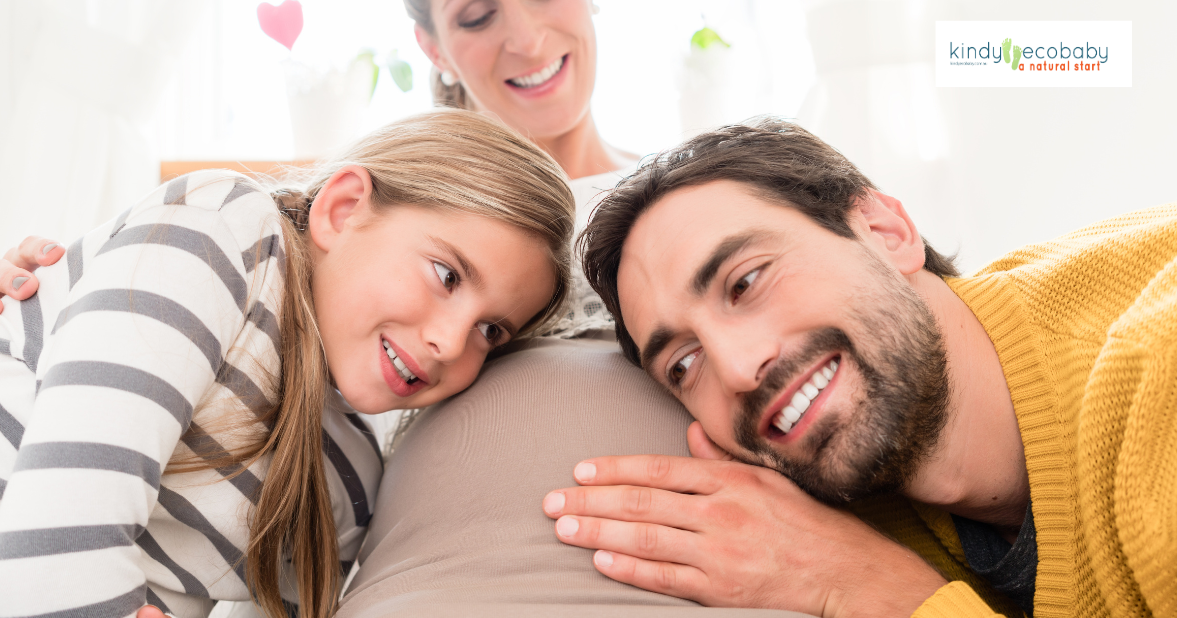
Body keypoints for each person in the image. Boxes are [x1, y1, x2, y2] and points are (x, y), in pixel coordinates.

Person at [542, 117, 1177, 617]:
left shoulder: (1158, 361)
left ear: (885, 230)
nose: (737, 368)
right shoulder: (830, 508)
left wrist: (871, 587)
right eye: (684, 364)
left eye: (746, 282)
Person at [0, 109, 575, 618]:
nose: (451, 343)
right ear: (344, 209)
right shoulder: (222, 232)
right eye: (446, 275)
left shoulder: (348, 485)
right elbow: (48, 554)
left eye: (490, 330)